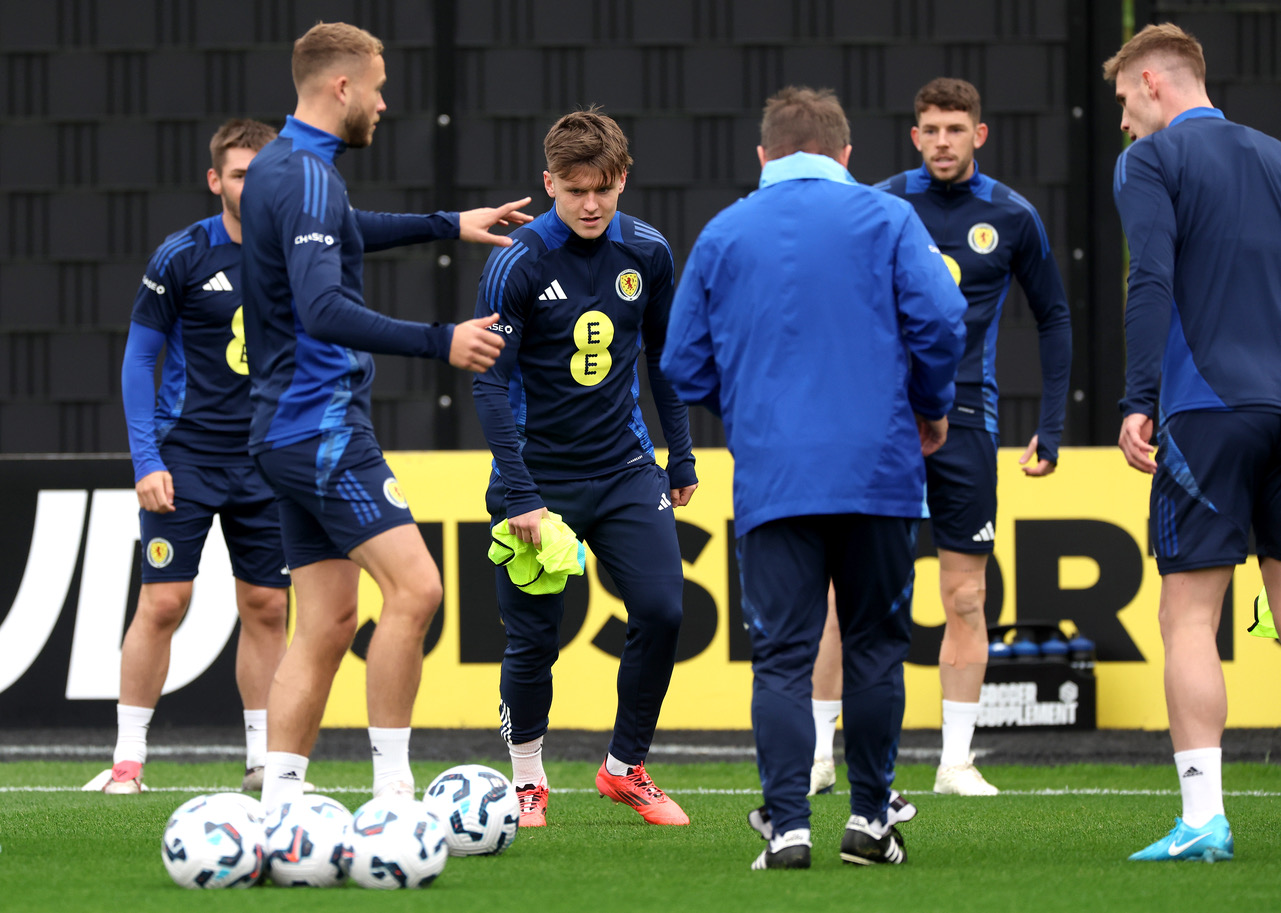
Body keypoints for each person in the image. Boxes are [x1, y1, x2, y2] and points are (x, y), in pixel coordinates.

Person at [662, 86, 966, 869]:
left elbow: (679, 365)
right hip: (879, 471)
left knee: (783, 658)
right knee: (873, 647)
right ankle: (870, 819)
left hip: (775, 477)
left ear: (762, 156)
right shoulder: (888, 216)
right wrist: (929, 406)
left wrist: (755, 404)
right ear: (846, 155)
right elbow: (939, 320)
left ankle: (789, 825)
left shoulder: (724, 230)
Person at [239, 21, 533, 810]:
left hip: (282, 432)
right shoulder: (306, 175)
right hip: (320, 426)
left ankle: (282, 803)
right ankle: (393, 795)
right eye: (376, 86)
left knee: (327, 621)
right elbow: (324, 306)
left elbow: (342, 234)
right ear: (341, 87)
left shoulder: (282, 166)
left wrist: (449, 223)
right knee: (418, 590)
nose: (383, 102)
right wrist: (442, 341)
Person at [807, 77, 1072, 798]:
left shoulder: (1011, 215)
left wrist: (1050, 425)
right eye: (931, 128)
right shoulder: (880, 204)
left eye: (956, 128)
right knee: (838, 593)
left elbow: (1052, 315)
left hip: (967, 428)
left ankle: (954, 760)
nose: (943, 141)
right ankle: (819, 754)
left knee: (963, 596)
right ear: (914, 135)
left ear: (978, 135)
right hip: (878, 426)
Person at [471, 108, 698, 828]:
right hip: (538, 480)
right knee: (535, 639)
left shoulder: (649, 252)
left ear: (622, 179)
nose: (590, 203)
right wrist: (519, 492)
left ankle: (625, 767)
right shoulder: (516, 260)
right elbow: (486, 382)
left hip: (626, 467)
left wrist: (680, 455)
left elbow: (664, 359)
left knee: (663, 610)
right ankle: (528, 781)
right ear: (548, 183)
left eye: (602, 187)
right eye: (573, 190)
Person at [1106, 22, 1281, 863]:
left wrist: (1139, 397)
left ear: (1150, 82)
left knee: (1187, 617)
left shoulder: (1151, 160)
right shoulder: (1276, 156)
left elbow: (1150, 276)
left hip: (1204, 411)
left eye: (1122, 104)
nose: (1121, 124)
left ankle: (1203, 818)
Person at [99, 119, 287, 795]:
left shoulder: (301, 252)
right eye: (239, 174)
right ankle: (127, 761)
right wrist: (147, 458)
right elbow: (138, 359)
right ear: (216, 181)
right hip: (187, 456)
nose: (252, 185)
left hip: (269, 458)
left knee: (267, 604)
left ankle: (264, 762)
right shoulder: (182, 255)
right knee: (164, 601)